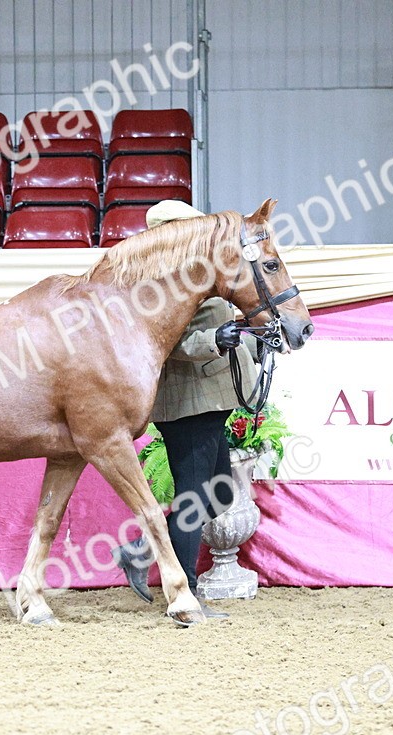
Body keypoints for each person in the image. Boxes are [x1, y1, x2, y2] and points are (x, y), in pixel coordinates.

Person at [112, 203, 259, 611]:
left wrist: (246, 339)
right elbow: (171, 345)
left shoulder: (192, 275)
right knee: (194, 501)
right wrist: (216, 339)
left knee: (221, 493)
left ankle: (140, 551)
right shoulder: (160, 287)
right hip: (186, 406)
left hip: (210, 403)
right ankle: (185, 593)